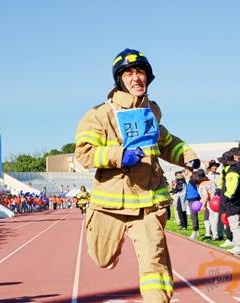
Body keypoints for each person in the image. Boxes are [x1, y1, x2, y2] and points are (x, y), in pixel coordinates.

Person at [74, 48, 199, 303]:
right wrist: (119, 155)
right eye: (129, 73)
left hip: (148, 203)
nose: (135, 78)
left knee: (155, 264)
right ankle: (113, 239)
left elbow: (165, 141)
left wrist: (187, 155)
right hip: (109, 205)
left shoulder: (151, 111)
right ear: (120, 79)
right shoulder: (99, 114)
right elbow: (84, 153)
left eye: (140, 72)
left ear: (147, 77)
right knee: (102, 258)